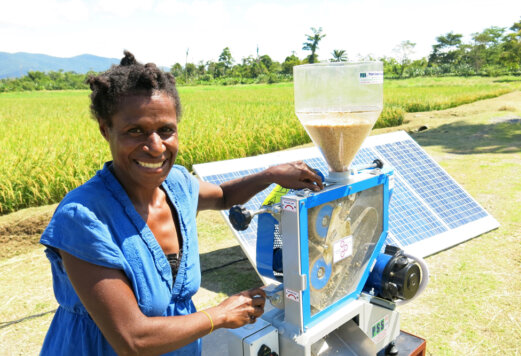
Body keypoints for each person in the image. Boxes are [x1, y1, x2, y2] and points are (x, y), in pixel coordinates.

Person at [40, 51, 324, 356]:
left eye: (166, 130)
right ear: (105, 130)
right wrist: (219, 315)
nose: (155, 146)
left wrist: (270, 175)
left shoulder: (176, 185)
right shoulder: (84, 218)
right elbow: (133, 339)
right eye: (135, 131)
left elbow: (224, 196)